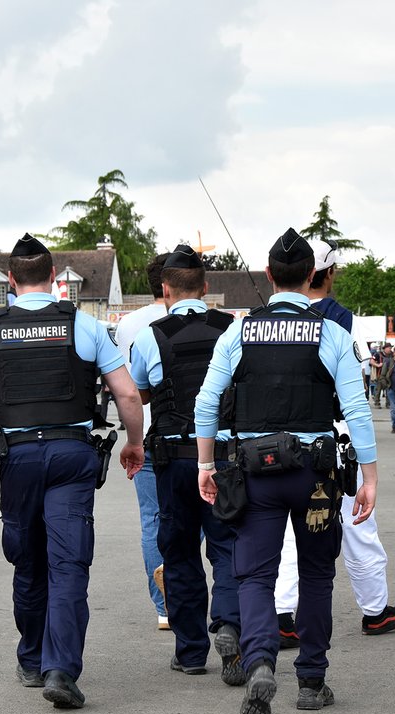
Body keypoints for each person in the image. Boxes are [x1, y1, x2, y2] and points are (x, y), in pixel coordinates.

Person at [194, 228, 378, 714]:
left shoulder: (237, 332)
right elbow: (357, 410)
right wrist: (370, 475)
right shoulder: (333, 335)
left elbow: (207, 401)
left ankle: (258, 664)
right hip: (316, 474)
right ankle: (312, 683)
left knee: (254, 575)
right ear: (313, 277)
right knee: (317, 575)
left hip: (254, 472)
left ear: (269, 275)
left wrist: (205, 465)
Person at [0, 233, 145, 711]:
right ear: (56, 280)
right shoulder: (84, 325)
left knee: (27, 558)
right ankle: (62, 668)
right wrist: (135, 443)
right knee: (68, 562)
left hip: (17, 458)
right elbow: (128, 396)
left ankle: (33, 658)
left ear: (12, 281)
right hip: (70, 455)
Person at [272, 238, 395, 655]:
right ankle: (374, 609)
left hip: (279, 433)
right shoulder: (343, 322)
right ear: (326, 273)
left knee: (292, 530)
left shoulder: (268, 320)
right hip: (335, 430)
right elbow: (356, 391)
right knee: (357, 521)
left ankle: (281, 614)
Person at [131, 243, 243, 683]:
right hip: (226, 457)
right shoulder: (231, 329)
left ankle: (192, 651)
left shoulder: (149, 336)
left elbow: (140, 393)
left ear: (164, 290)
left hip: (174, 459)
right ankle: (231, 624)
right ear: (207, 287)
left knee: (178, 554)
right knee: (229, 547)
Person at [115, 254, 171, 629]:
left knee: (152, 519)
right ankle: (185, 584)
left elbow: (127, 386)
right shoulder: (195, 320)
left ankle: (164, 607)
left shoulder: (128, 325)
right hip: (189, 433)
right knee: (199, 515)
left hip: (144, 430)